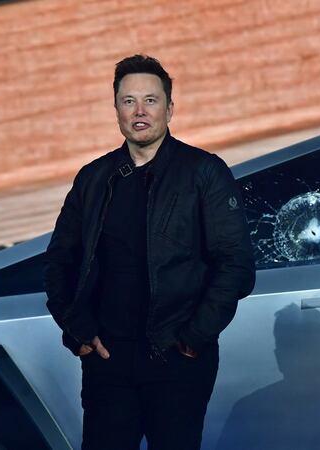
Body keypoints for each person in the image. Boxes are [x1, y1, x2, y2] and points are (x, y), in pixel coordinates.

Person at [43, 54, 256, 450]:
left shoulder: (204, 172)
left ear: (170, 108)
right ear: (116, 110)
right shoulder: (93, 178)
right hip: (108, 362)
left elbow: (236, 264)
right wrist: (79, 331)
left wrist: (194, 338)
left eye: (151, 100)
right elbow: (60, 262)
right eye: (128, 101)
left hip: (178, 360)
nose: (139, 111)